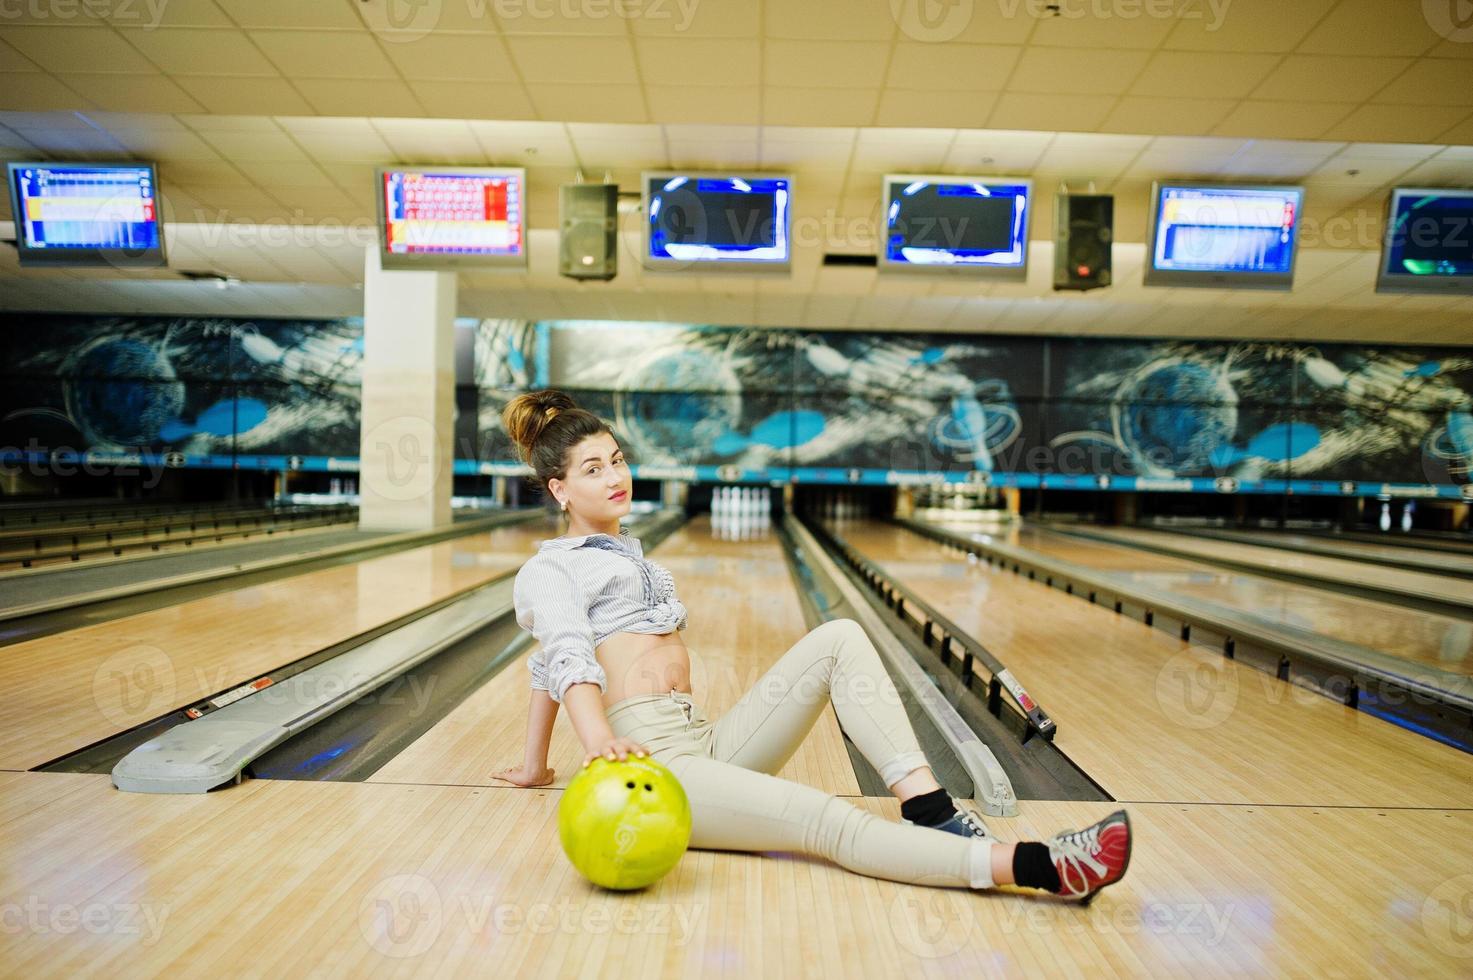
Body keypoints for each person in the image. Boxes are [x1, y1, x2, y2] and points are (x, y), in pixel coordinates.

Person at [492, 389, 1130, 902]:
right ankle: (1040, 866)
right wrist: (598, 739)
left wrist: (534, 763)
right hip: (651, 764)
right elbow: (565, 657)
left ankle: (928, 805)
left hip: (705, 743)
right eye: (592, 469)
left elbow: (540, 668)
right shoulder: (550, 570)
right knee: (829, 821)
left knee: (840, 636)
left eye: (618, 459)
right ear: (559, 489)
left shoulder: (626, 555)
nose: (614, 476)